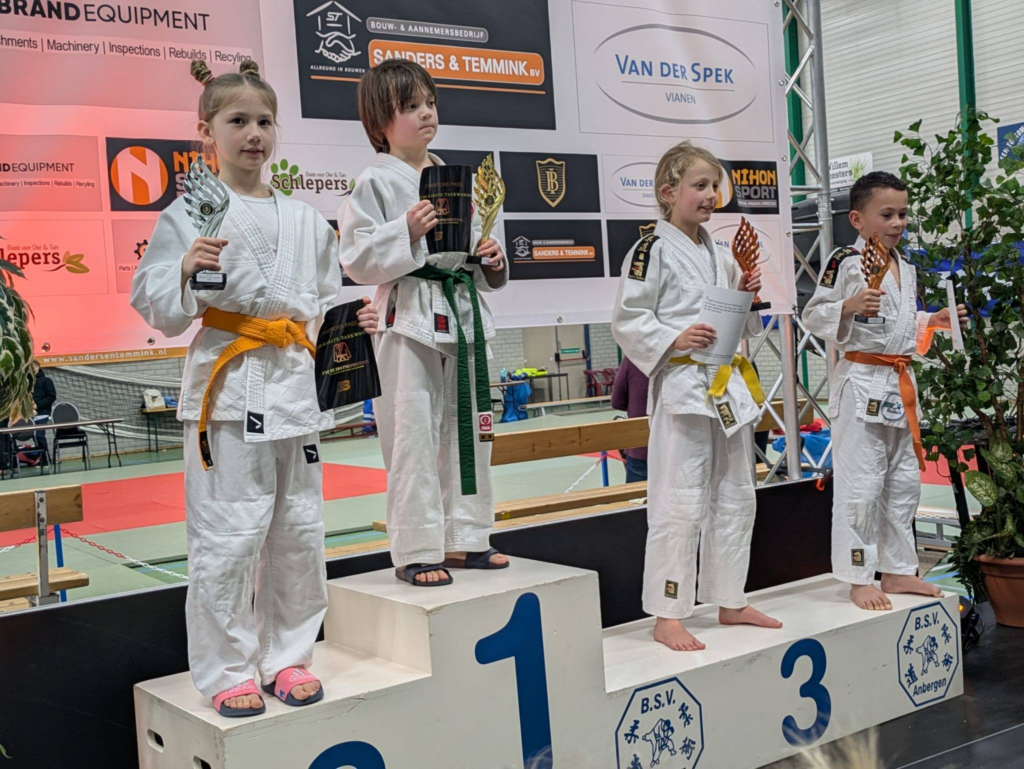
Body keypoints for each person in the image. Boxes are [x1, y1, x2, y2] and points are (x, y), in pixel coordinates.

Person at [131, 60, 378, 717]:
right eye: (237, 121)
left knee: (299, 529)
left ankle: (288, 656)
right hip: (230, 388)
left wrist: (340, 329)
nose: (253, 134)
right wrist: (184, 270)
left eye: (264, 121)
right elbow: (156, 304)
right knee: (228, 533)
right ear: (206, 131)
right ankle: (226, 670)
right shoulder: (189, 212)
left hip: (293, 387)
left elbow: (318, 304)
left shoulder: (303, 218)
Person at [340, 59, 509, 587]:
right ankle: (416, 549)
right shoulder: (374, 181)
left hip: (461, 311)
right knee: (411, 433)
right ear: (380, 123)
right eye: (410, 106)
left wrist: (490, 260)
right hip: (408, 316)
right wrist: (406, 230)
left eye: (430, 103)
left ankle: (467, 537)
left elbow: (476, 259)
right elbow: (356, 258)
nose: (426, 114)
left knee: (469, 428)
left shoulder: (457, 180)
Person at [612, 141, 782, 652]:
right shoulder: (651, 251)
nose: (711, 195)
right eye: (700, 185)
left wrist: (747, 294)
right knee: (679, 499)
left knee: (737, 494)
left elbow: (740, 324)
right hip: (683, 387)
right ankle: (667, 614)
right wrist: (674, 338)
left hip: (726, 386)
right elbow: (628, 319)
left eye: (715, 186)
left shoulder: (721, 255)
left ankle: (730, 598)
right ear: (668, 193)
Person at [802, 171, 967, 611]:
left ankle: (897, 569)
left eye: (903, 214)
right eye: (887, 214)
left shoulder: (905, 268)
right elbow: (813, 315)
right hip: (861, 384)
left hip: (898, 384)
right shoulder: (845, 262)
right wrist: (848, 305)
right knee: (861, 485)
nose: (897, 223)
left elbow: (897, 328)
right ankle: (858, 576)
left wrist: (932, 322)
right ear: (857, 219)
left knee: (902, 483)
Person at [610, 357, 649, 483]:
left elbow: (617, 402)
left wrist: (636, 406)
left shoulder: (633, 358)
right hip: (676, 449)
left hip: (641, 448)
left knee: (638, 496)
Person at [30, 360, 56, 465]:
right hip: (30, 413)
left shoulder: (46, 381)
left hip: (43, 412)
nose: (32, 369)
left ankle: (46, 460)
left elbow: (51, 397)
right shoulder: (26, 382)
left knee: (39, 435)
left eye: (33, 367)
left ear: (38, 367)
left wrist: (38, 405)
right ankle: (41, 458)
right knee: (35, 436)